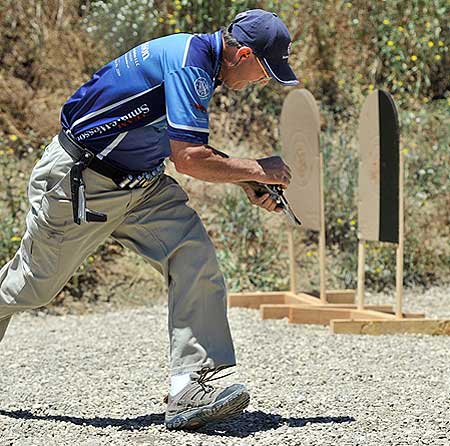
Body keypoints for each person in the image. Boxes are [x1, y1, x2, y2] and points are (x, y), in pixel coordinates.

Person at [0, 9, 297, 430]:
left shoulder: (200, 61)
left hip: (138, 183)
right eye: (264, 70)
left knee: (192, 252)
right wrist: (256, 169)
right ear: (242, 53)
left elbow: (184, 146)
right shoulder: (188, 64)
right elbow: (190, 159)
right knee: (31, 286)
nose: (263, 80)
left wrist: (243, 178)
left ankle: (188, 388)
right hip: (82, 180)